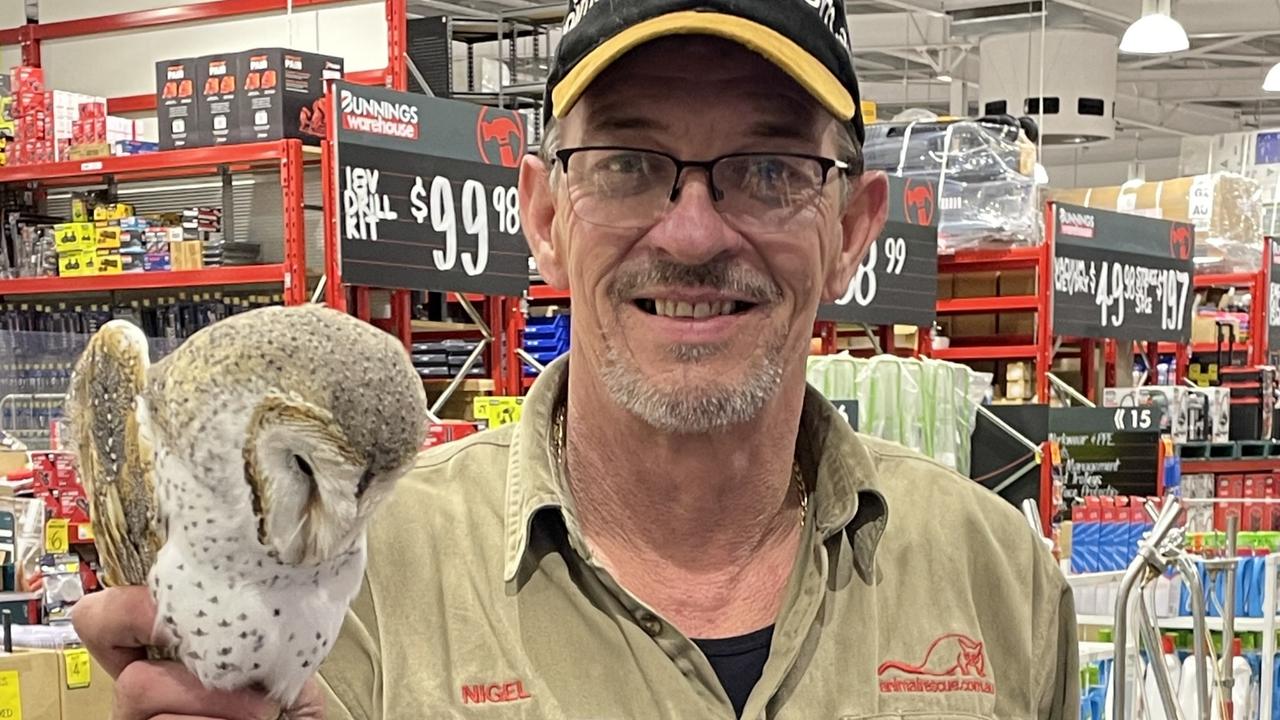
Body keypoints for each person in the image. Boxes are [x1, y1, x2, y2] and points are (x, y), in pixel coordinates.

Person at [72, 1, 1079, 718]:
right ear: (544, 218)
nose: (690, 236)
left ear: (852, 230)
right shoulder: (355, 580)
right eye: (628, 166)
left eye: (770, 170)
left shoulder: (994, 576)